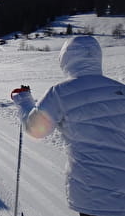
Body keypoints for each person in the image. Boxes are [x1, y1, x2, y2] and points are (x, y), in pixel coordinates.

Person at [11, 35, 125, 216]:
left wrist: (24, 101)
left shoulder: (60, 92)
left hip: (93, 195)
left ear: (66, 59)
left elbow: (35, 129)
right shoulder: (121, 90)